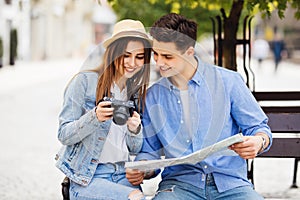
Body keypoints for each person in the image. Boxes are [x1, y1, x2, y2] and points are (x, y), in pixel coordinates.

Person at [126, 13, 272, 200]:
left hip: (231, 185)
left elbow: (259, 129)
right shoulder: (153, 96)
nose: (159, 63)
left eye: (168, 57)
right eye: (156, 54)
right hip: (179, 186)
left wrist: (259, 142)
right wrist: (143, 169)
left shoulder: (228, 82)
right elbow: (149, 150)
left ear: (189, 52)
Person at [55, 19, 152, 200]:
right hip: (88, 178)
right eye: (126, 55)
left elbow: (134, 148)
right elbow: (64, 134)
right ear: (114, 53)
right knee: (136, 198)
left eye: (139, 57)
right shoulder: (84, 82)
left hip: (123, 175)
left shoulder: (136, 93)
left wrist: (134, 129)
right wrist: (94, 117)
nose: (132, 63)